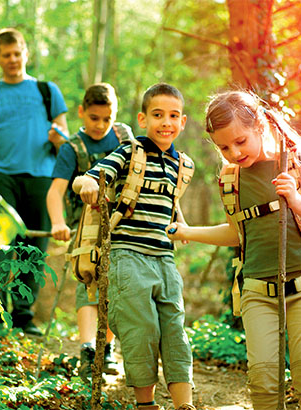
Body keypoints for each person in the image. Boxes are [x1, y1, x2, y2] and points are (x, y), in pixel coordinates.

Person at [167, 90, 301, 410]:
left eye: (241, 141)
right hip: (258, 289)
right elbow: (237, 233)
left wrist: (296, 201)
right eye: (224, 147)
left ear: (259, 124)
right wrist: (188, 231)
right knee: (263, 380)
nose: (233, 152)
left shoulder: (297, 160)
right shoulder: (230, 178)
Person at [73, 83, 196, 410]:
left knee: (175, 330)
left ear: (182, 122)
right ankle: (147, 404)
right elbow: (94, 176)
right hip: (128, 255)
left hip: (165, 259)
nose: (165, 122)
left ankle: (185, 404)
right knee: (141, 329)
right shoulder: (130, 151)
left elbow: (170, 199)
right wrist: (85, 182)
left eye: (173, 116)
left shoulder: (182, 164)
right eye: (157, 115)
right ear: (143, 119)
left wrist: (181, 226)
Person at [0, 27, 69, 337]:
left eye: (17, 53)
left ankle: (23, 315)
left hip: (41, 177)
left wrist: (57, 137)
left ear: (26, 54)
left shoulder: (48, 91)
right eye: (6, 55)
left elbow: (64, 137)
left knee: (33, 245)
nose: (13, 59)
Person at [46, 82, 129, 379]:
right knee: (88, 282)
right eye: (94, 118)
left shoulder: (124, 137)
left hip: (121, 224)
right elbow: (55, 192)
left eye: (107, 118)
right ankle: (87, 349)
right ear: (81, 113)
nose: (101, 125)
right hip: (85, 227)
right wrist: (58, 222)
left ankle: (107, 349)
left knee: (114, 285)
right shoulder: (73, 148)